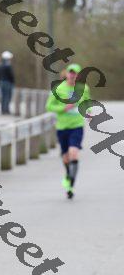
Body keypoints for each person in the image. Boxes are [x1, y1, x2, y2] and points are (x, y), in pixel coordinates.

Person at [46, 63, 91, 199]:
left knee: (73, 153)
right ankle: (68, 175)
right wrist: (63, 109)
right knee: (65, 157)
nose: (72, 75)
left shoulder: (84, 88)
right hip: (62, 127)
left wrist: (88, 112)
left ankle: (71, 184)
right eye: (70, 72)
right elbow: (49, 106)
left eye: (75, 73)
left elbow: (87, 102)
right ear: (66, 74)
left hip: (77, 126)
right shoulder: (58, 89)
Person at [0, 50, 15, 114]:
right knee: (7, 96)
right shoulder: (8, 65)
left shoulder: (0, 65)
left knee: (3, 96)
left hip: (1, 82)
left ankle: (3, 110)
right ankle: (6, 110)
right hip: (7, 82)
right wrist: (12, 81)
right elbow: (11, 75)